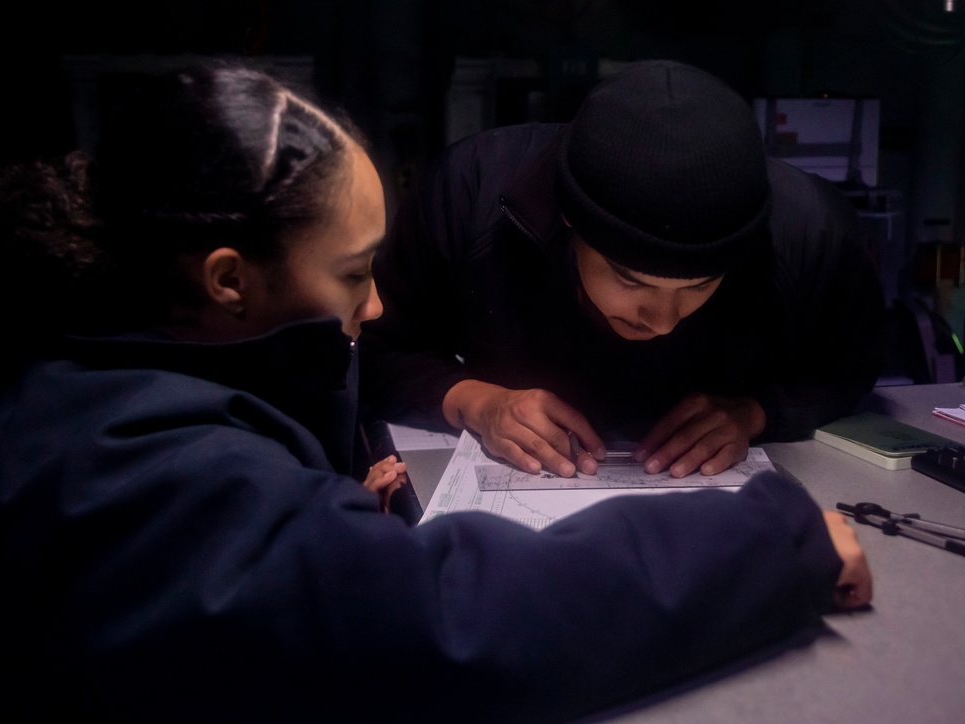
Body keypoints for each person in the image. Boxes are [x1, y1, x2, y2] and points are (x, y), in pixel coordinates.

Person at [0, 65, 871, 724]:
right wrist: (773, 542)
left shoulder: (117, 373)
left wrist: (313, 508)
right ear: (229, 280)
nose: (380, 301)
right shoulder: (108, 456)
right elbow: (432, 629)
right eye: (355, 272)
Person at [359, 60, 885, 481]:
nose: (662, 319)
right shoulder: (473, 193)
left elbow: (851, 368)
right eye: (630, 279)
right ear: (568, 219)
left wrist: (755, 411)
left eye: (700, 284)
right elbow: (374, 352)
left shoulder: (809, 231)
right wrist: (475, 400)